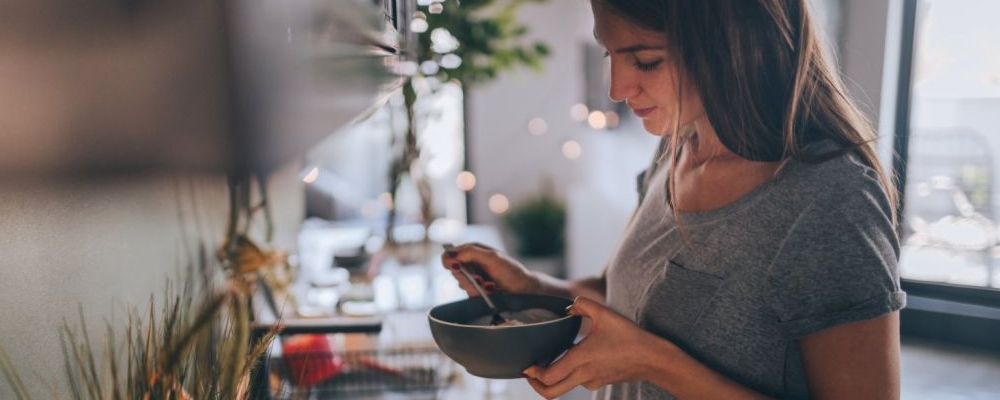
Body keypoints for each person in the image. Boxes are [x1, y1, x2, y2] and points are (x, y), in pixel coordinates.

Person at [441, 0, 905, 399]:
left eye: (644, 60)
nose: (617, 89)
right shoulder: (677, 147)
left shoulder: (829, 203)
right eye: (610, 54)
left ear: (735, 46)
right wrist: (534, 289)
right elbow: (624, 297)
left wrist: (656, 363)